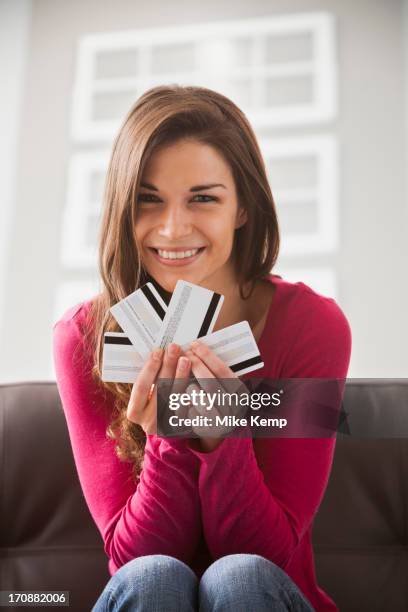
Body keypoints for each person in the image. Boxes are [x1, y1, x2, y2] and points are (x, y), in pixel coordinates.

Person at [53, 85, 352, 611]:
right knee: (152, 577)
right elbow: (132, 560)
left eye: (203, 198)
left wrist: (224, 436)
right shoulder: (83, 337)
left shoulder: (312, 326)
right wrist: (170, 437)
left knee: (238, 578)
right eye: (149, 199)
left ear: (242, 207)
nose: (172, 229)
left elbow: (270, 555)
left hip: (263, 593)